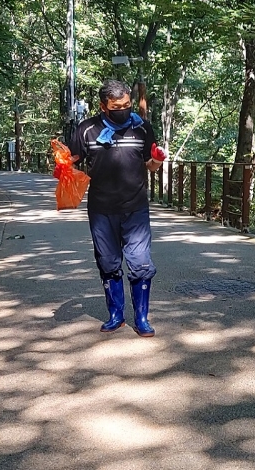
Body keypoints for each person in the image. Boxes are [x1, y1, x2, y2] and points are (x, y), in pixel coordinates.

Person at [67, 80, 166, 336]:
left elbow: (150, 165)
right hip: (101, 209)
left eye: (127, 105)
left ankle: (142, 319)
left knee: (141, 264)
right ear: (103, 106)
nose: (123, 110)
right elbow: (72, 161)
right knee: (108, 263)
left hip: (135, 208)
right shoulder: (87, 129)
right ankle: (116, 315)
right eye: (116, 106)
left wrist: (157, 159)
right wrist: (61, 166)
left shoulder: (142, 127)